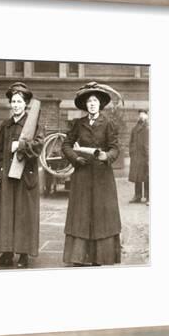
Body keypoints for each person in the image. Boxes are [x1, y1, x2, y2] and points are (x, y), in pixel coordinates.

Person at [61, 81, 122, 266]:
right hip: (82, 175)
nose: (92, 104)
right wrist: (74, 158)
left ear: (100, 104)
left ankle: (100, 257)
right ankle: (79, 257)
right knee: (81, 214)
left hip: (103, 177)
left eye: (95, 101)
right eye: (89, 101)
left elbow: (115, 148)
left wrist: (106, 156)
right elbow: (66, 144)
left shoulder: (108, 123)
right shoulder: (78, 124)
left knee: (101, 216)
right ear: (85, 105)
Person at [0, 82, 43, 268]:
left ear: (26, 103)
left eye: (19, 101)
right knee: (6, 214)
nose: (16, 105)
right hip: (7, 177)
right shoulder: (6, 125)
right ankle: (6, 252)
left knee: (23, 215)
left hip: (26, 177)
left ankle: (23, 254)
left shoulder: (33, 124)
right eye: (13, 101)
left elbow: (38, 146)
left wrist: (20, 146)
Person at [128, 109, 149, 206]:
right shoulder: (135, 128)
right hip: (136, 156)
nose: (141, 116)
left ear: (146, 115)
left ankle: (149, 197)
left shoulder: (148, 127)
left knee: (147, 177)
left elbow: (148, 144)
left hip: (145, 156)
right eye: (140, 114)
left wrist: (149, 157)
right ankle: (138, 196)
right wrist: (131, 152)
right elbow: (131, 141)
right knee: (138, 177)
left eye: (143, 114)